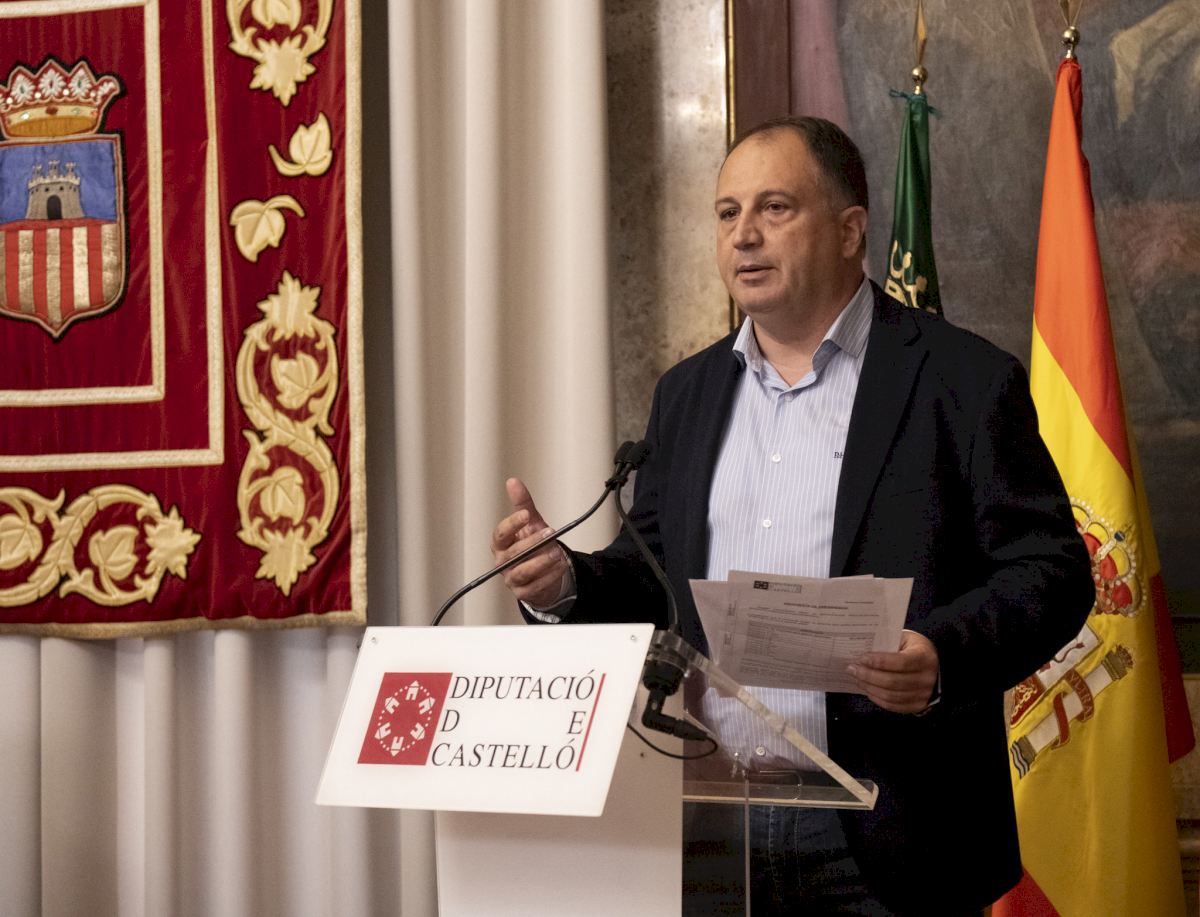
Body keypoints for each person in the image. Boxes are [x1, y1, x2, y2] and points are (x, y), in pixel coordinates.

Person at [490, 116, 1093, 915]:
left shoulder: (963, 379)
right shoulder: (688, 393)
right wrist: (563, 581)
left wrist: (941, 656)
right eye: (727, 212)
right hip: (712, 824)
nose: (744, 234)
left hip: (891, 830)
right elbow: (653, 578)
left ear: (849, 230)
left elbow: (1050, 572)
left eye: (774, 208)